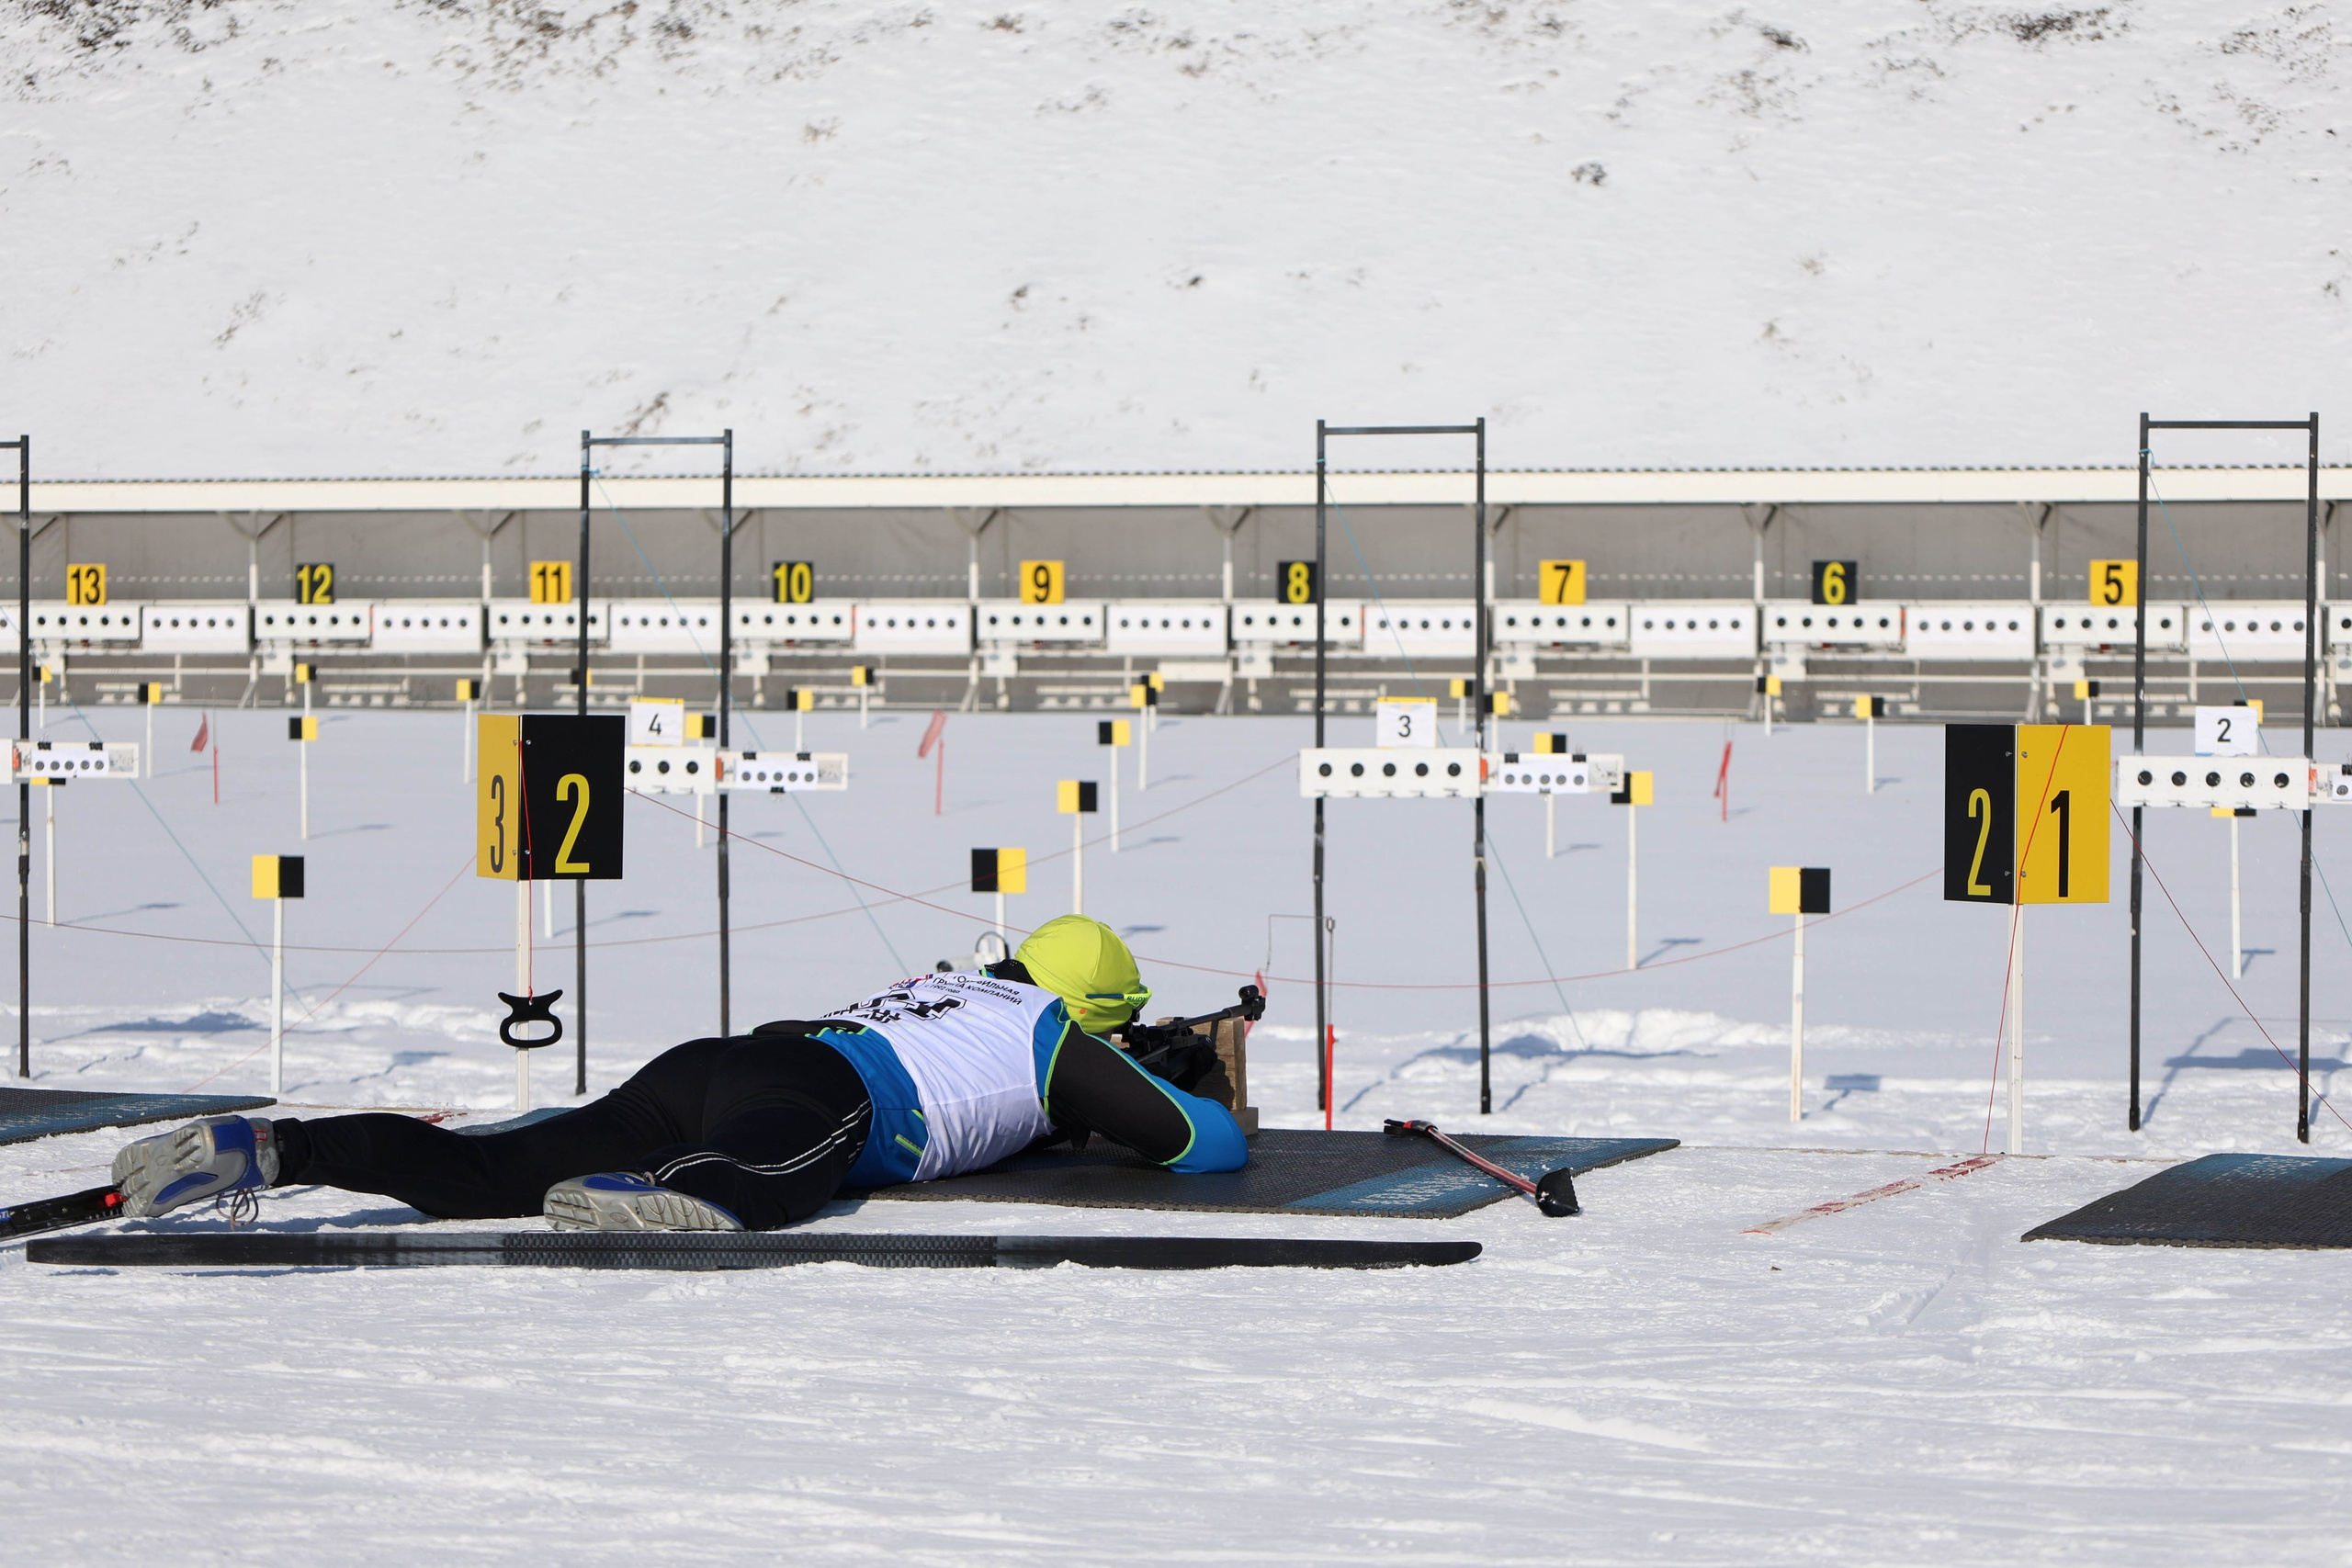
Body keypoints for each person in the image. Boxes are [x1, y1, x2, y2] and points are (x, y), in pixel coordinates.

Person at [109, 916, 1247, 1233]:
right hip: (821, 1098)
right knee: (769, 1180)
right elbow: (1205, 1144)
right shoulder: (1057, 1036)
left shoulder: (957, 988)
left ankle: (278, 1148)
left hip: (726, 1058)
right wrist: (1171, 1075)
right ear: (1102, 1017)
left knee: (489, 1167)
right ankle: (661, 1194)